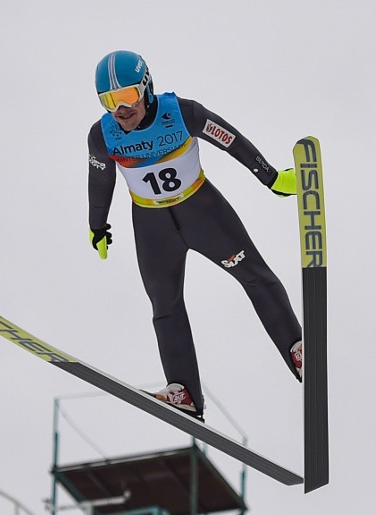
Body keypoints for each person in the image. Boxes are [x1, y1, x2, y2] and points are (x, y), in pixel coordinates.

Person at [87, 50, 302, 421]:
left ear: (147, 87)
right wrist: (97, 225)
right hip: (152, 226)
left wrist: (271, 178)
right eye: (109, 101)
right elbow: (100, 178)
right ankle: (183, 390)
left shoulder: (182, 113)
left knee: (255, 276)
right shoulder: (101, 135)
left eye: (126, 97)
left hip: (201, 211)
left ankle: (298, 349)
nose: (120, 109)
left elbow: (230, 140)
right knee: (164, 305)